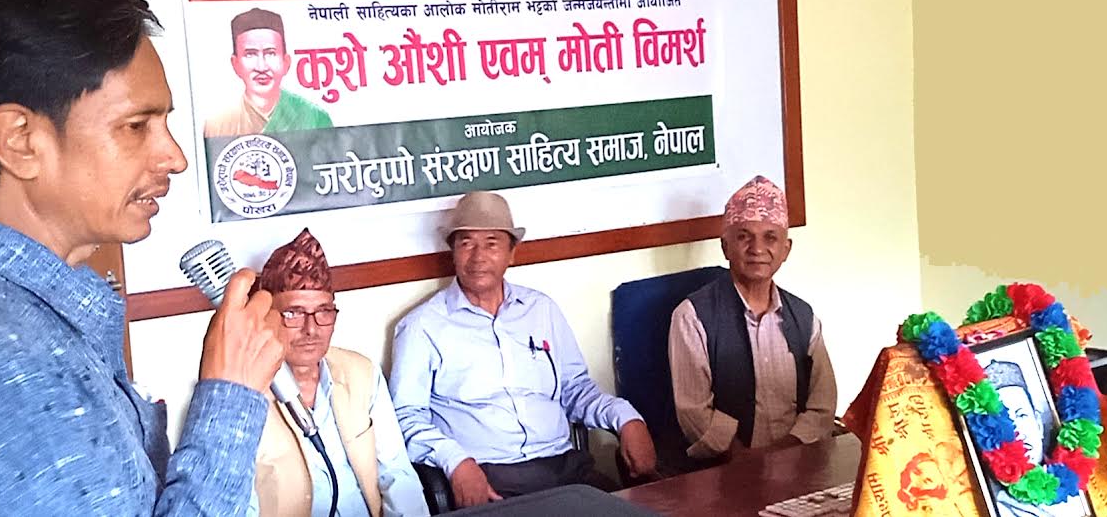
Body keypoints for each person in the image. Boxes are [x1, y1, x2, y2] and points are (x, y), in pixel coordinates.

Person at [0, 0, 285, 514]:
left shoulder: (11, 314)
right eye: (135, 126)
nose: (174, 157)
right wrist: (232, 394)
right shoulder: (9, 366)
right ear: (20, 141)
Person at [390, 191, 657, 508]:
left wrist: (627, 419)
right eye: (466, 243)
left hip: (566, 468)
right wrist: (456, 462)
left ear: (512, 253)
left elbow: (575, 389)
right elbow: (406, 417)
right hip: (491, 478)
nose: (478, 257)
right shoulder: (421, 327)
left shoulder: (541, 310)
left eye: (491, 243)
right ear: (453, 253)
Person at [249, 229, 427, 516]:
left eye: (323, 312)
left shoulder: (362, 373)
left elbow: (397, 474)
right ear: (267, 316)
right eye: (294, 313)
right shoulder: (243, 392)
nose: (311, 329)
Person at [667, 175, 837, 462]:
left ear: (786, 249)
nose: (757, 249)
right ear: (725, 247)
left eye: (770, 237)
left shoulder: (804, 317)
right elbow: (694, 412)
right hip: (726, 468)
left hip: (798, 460)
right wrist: (749, 463)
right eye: (744, 236)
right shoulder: (692, 317)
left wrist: (784, 454)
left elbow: (823, 405)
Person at [203, 7, 332, 138]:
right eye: (250, 54)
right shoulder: (217, 125)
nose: (261, 67)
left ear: (286, 62)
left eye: (270, 53)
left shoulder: (315, 117)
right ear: (235, 64)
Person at [985, 360, 1085, 517]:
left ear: (1038, 423)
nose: (1018, 433)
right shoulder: (999, 507)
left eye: (1022, 415)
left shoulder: (1077, 482)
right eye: (1006, 421)